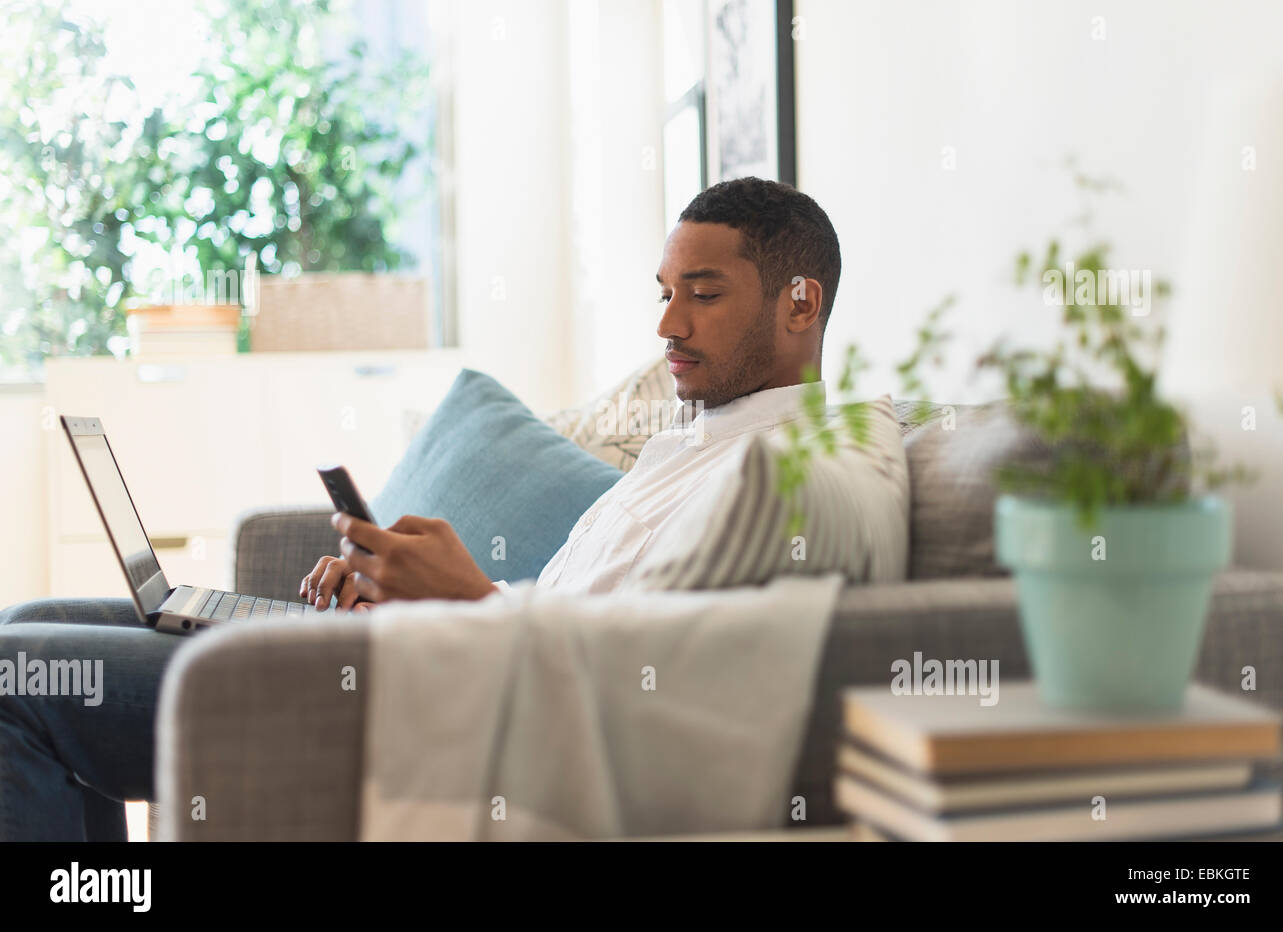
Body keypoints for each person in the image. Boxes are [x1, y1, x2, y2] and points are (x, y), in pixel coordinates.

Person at [0, 177, 842, 841]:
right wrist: (420, 589)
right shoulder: (702, 441)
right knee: (34, 622)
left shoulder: (787, 476)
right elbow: (587, 610)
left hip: (432, 698)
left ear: (799, 303)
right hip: (439, 648)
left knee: (15, 678)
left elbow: (639, 691)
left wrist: (465, 599)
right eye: (663, 291)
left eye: (702, 293)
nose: (666, 323)